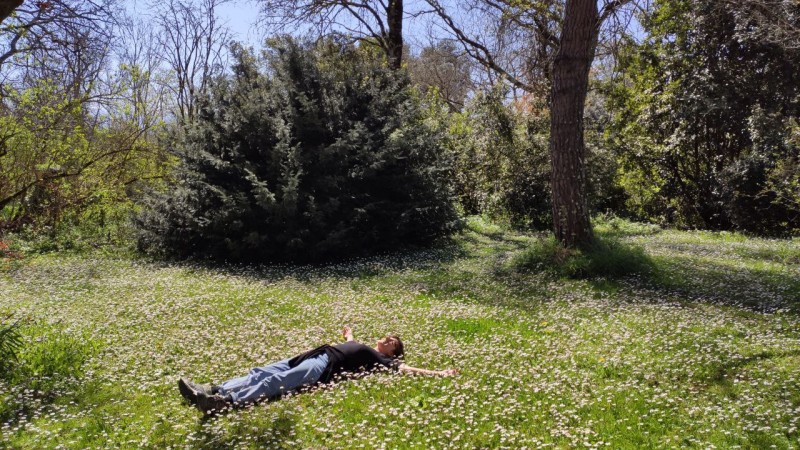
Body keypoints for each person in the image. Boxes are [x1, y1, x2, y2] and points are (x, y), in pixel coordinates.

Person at [178, 326, 459, 414]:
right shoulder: (365, 347)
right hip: (314, 354)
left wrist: (439, 374)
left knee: (278, 381)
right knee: (260, 372)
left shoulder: (381, 360)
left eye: (391, 343)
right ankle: (212, 390)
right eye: (387, 337)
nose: (386, 339)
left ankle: (225, 402)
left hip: (322, 365)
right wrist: (349, 335)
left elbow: (406, 368)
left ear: (392, 353)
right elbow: (350, 345)